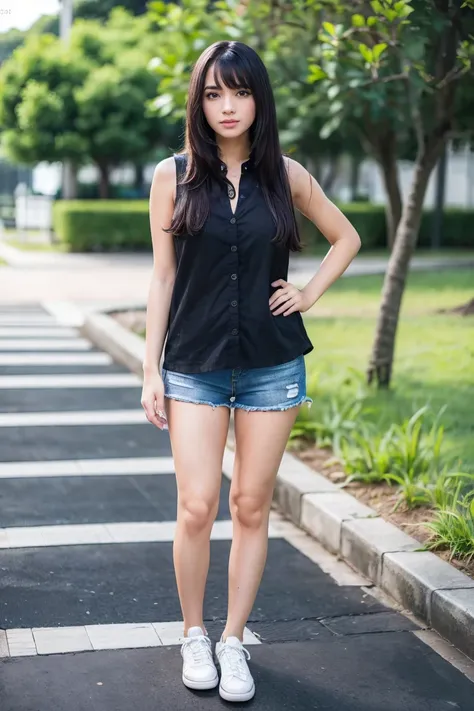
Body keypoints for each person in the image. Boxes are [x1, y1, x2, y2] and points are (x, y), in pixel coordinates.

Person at [141, 40, 361, 703]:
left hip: (273, 365)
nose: (226, 106)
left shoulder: (287, 176)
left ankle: (234, 640)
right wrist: (150, 369)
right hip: (194, 364)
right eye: (213, 94)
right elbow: (163, 276)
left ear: (258, 98)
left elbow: (345, 236)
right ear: (198, 103)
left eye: (238, 92)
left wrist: (310, 292)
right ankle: (193, 633)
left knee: (250, 505)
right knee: (197, 505)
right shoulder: (171, 175)